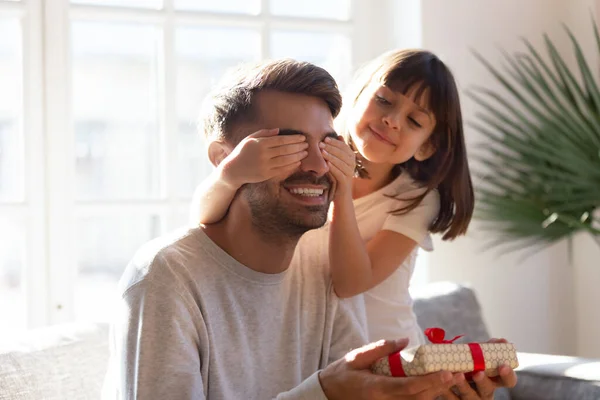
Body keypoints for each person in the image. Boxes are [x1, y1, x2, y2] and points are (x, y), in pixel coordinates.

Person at [103, 58, 501, 400]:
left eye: (327, 146)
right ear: (225, 159)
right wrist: (323, 393)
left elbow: (351, 387)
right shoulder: (166, 279)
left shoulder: (321, 258)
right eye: (289, 146)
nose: (317, 165)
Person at [192, 49, 474, 347]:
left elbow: (350, 283)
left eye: (414, 121)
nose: (392, 121)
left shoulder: (416, 199)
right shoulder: (311, 162)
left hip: (390, 354)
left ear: (426, 147)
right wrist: (230, 174)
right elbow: (205, 219)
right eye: (384, 101)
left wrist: (341, 190)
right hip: (317, 348)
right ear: (357, 97)